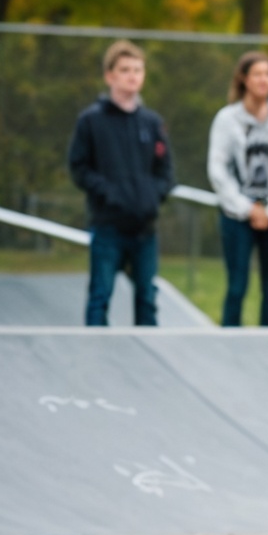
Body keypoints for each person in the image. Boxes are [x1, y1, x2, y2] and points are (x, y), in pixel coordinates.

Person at [68, 40, 175, 326]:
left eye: (137, 70)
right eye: (125, 69)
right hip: (108, 225)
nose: (132, 76)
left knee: (147, 298)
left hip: (144, 228)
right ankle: (96, 358)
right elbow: (79, 167)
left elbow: (165, 170)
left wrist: (153, 196)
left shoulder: (152, 123)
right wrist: (109, 193)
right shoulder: (91, 121)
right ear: (110, 76)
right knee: (100, 295)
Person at [209, 52, 268, 328]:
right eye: (257, 74)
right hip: (237, 217)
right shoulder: (227, 120)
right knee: (237, 286)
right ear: (244, 79)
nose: (263, 80)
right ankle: (230, 341)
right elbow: (218, 169)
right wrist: (247, 208)